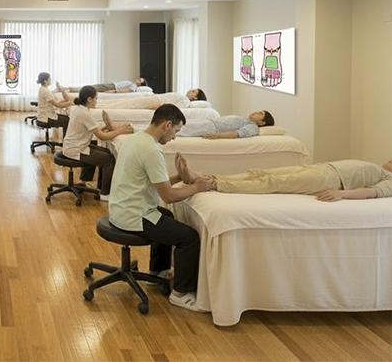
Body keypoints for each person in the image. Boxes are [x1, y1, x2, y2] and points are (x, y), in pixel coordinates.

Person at [108, 104, 215, 311]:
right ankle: (181, 293)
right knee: (189, 238)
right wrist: (196, 187)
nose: (174, 137)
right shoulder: (151, 149)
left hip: (120, 210)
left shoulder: (135, 140)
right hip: (134, 216)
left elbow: (155, 183)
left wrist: (179, 177)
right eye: (176, 131)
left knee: (165, 216)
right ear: (167, 125)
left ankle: (157, 272)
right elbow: (168, 195)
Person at [177, 156, 392, 200]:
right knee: (262, 173)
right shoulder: (379, 168)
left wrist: (341, 194)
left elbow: (372, 192)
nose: (389, 158)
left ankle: (213, 184)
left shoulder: (390, 181)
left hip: (329, 181)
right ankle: (204, 177)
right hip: (323, 168)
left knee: (272, 183)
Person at [62, 86, 134, 199]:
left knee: (105, 151)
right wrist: (121, 130)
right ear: (89, 99)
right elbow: (102, 136)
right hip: (75, 150)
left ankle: (88, 183)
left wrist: (107, 125)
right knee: (108, 159)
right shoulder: (84, 113)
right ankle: (105, 193)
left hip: (73, 146)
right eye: (96, 98)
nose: (97, 101)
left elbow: (94, 129)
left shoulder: (80, 109)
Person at [178, 110, 274, 139]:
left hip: (211, 127)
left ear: (262, 122)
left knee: (181, 128)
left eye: (260, 114)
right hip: (210, 122)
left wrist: (217, 135)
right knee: (182, 123)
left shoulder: (253, 127)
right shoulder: (247, 120)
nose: (256, 112)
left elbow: (237, 134)